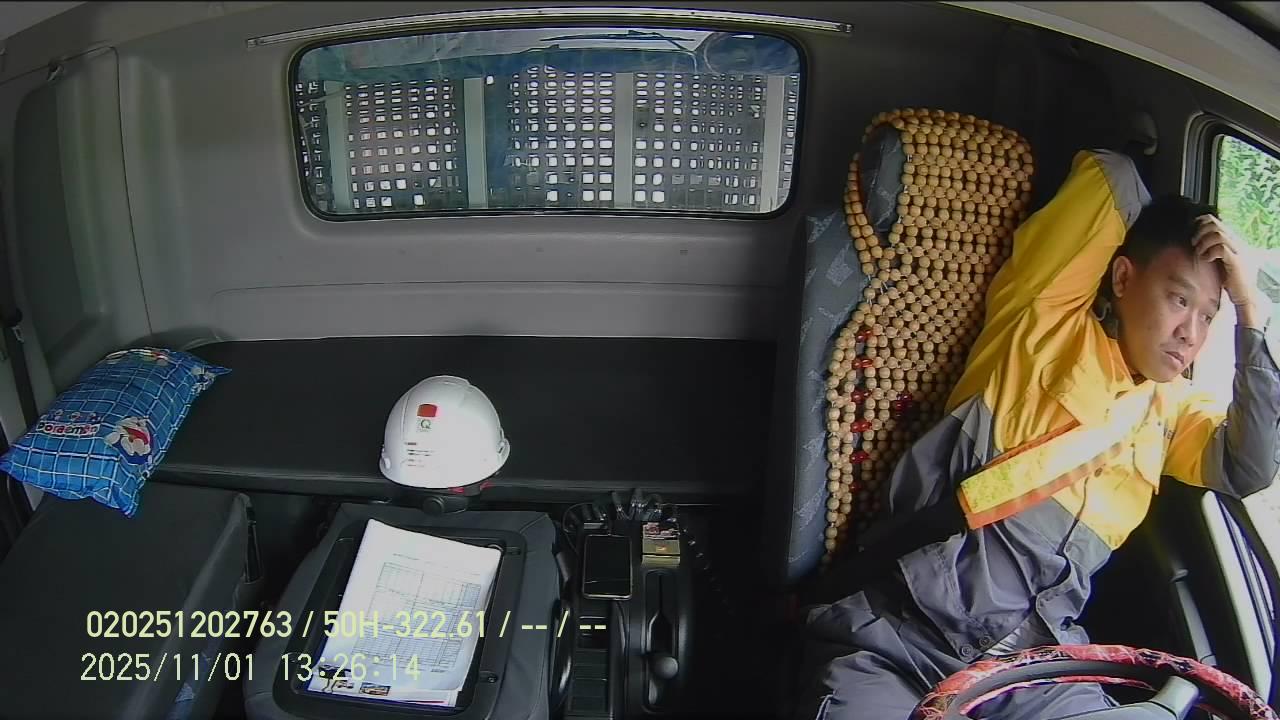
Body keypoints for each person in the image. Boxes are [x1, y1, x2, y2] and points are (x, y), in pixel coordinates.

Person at [792, 149, 1280, 719]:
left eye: (1208, 315)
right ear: (1123, 277)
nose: (1189, 333)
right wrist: (1180, 218)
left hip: (1031, 672)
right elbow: (1111, 176)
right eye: (1179, 299)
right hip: (898, 640)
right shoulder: (1044, 323)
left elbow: (1248, 468)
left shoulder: (1173, 413)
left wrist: (1249, 309)